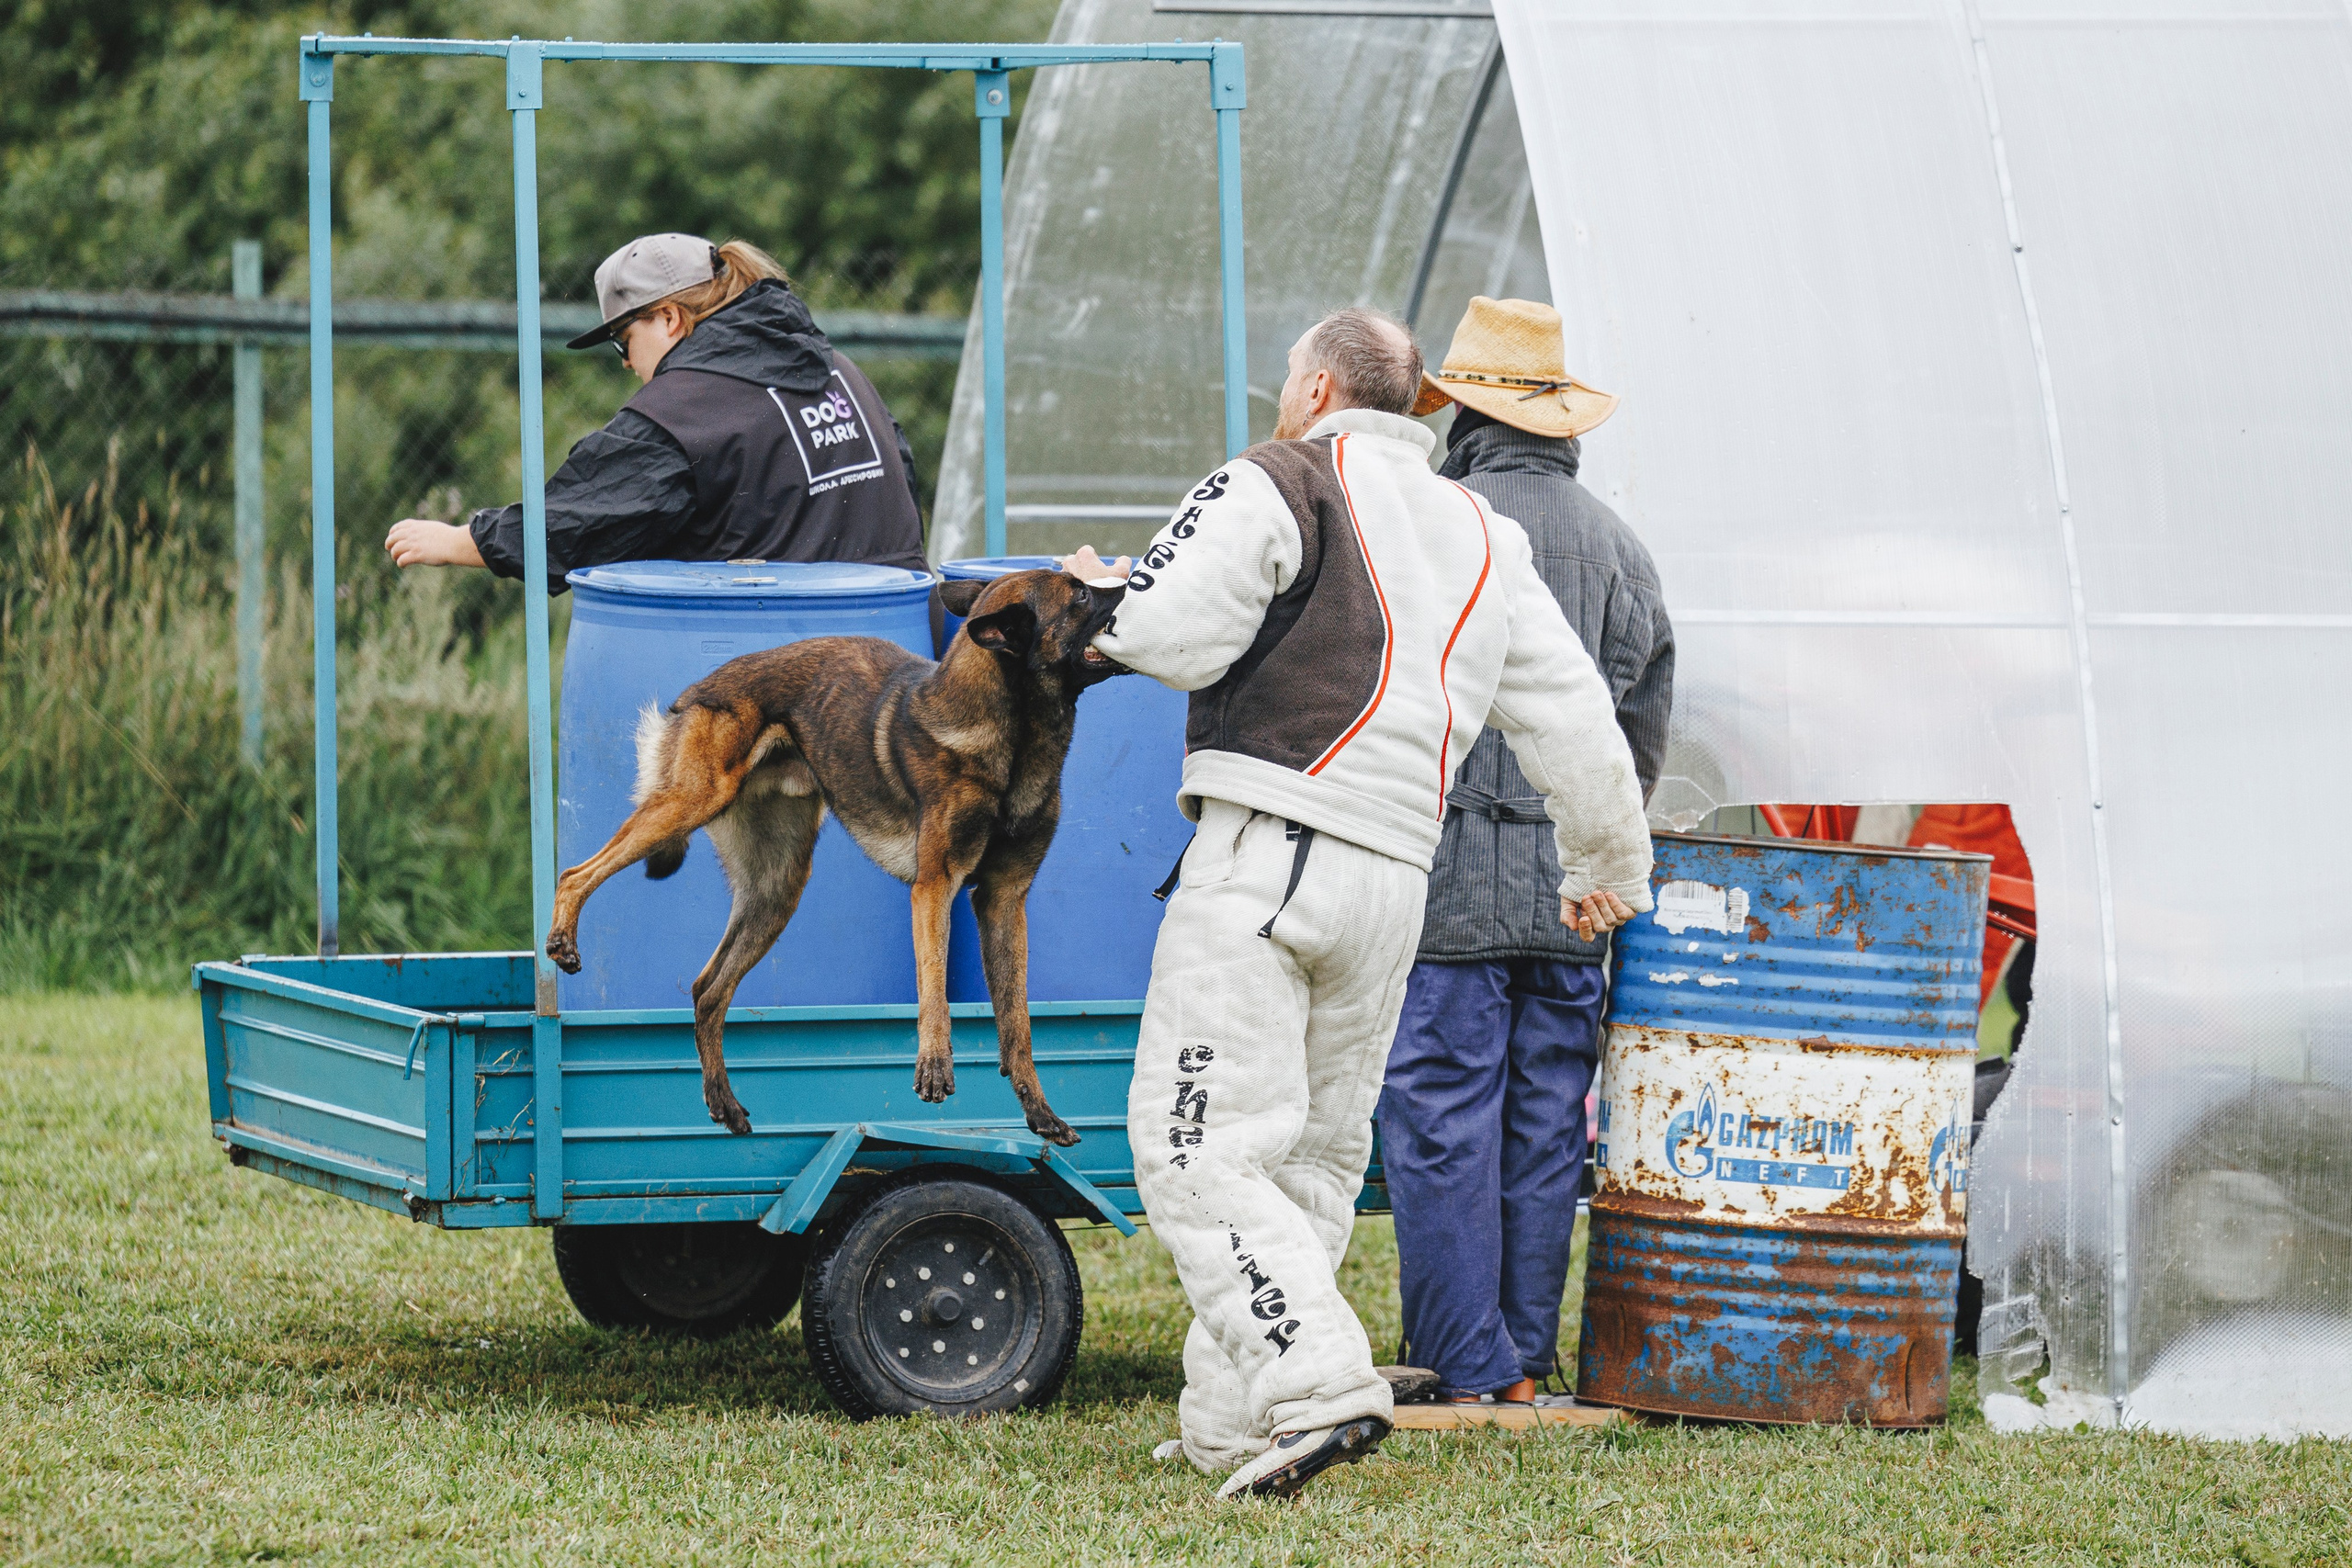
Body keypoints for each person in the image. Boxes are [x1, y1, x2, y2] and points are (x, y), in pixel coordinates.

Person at [1059, 306, 1653, 1500]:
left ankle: (1319, 1381)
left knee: (1193, 1144)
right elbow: (1577, 718)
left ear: (1321, 387)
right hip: (1399, 880)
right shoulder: (1485, 531)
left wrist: (1101, 601)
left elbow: (1172, 632)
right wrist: (1608, 868)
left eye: (1288, 376)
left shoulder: (1277, 477)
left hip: (1270, 844)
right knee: (1314, 1162)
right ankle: (1238, 1422)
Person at [1378, 296, 1675, 1406]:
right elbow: (1638, 729)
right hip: (1573, 897)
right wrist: (1601, 855)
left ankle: (1461, 1359)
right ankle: (1522, 1358)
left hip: (1444, 888)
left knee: (1443, 1119)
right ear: (1562, 423)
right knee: (1550, 1119)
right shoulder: (1620, 549)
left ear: (1457, 409)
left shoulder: (1431, 522)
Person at [383, 233, 927, 592]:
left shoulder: (683, 413)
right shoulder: (841, 371)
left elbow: (582, 518)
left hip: (791, 700)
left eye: (623, 340)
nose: (625, 363)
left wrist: (463, 540)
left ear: (668, 318)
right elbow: (900, 478)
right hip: (903, 669)